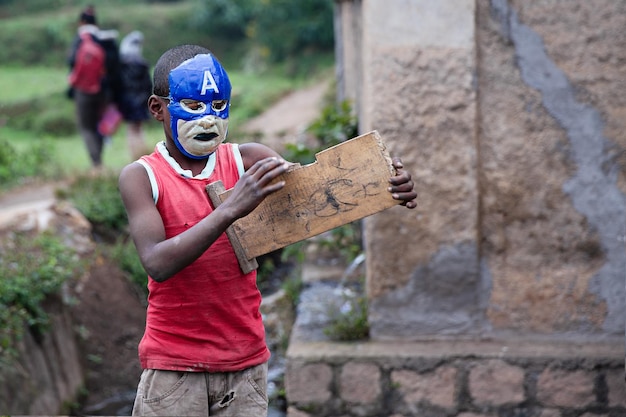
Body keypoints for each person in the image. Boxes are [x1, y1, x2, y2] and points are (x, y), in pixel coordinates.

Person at [118, 44, 417, 416]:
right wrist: (230, 209)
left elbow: (319, 195)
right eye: (193, 107)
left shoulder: (249, 161)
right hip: (175, 372)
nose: (209, 120)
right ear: (157, 109)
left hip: (245, 366)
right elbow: (157, 263)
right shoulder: (142, 177)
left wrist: (384, 183)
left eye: (218, 106)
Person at [67, 5, 121, 169]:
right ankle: (99, 160)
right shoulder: (104, 40)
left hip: (84, 91)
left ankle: (96, 163)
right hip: (103, 91)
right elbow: (115, 65)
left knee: (86, 127)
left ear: (81, 22)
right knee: (100, 125)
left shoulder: (80, 40)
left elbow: (71, 62)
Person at [118, 30, 152, 160]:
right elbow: (148, 86)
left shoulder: (123, 66)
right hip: (142, 101)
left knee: (131, 130)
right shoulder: (143, 65)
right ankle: (141, 154)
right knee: (139, 129)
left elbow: (120, 85)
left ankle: (136, 156)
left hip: (128, 102)